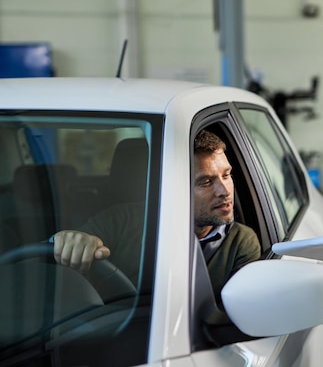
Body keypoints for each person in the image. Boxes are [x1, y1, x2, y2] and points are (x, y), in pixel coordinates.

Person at [52, 130, 261, 304]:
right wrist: (65, 241)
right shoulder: (121, 219)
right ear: (173, 187)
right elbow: (70, 246)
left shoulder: (242, 242)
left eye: (226, 175)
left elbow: (235, 321)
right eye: (206, 182)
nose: (224, 191)